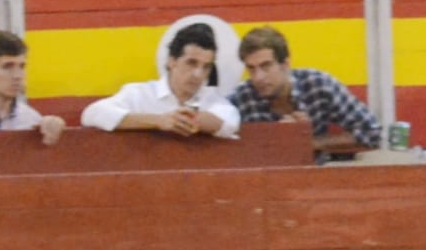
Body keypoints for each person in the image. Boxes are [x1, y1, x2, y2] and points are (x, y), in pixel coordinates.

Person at [231, 24, 381, 158]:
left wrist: (307, 141)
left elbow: (372, 132)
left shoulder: (318, 85)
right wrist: (274, 138)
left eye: (266, 66)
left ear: (285, 64)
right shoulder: (241, 97)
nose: (258, 77)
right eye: (251, 68)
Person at [81, 20, 241, 136]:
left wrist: (188, 120)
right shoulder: (138, 94)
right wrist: (157, 121)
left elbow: (229, 122)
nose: (198, 74)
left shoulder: (213, 100)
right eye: (191, 63)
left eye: (206, 67)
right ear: (172, 61)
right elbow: (92, 114)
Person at [0, 29, 66, 142]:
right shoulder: (30, 119)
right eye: (7, 66)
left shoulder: (31, 120)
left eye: (21, 66)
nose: (17, 75)